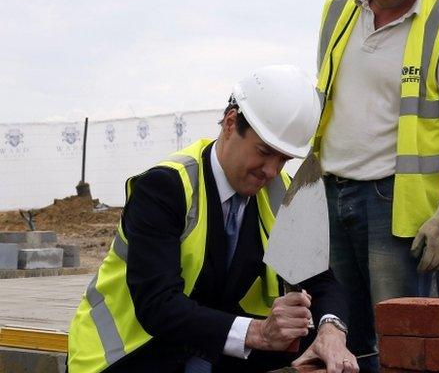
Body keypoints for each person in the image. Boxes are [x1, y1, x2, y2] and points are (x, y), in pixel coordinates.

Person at [68, 65, 358, 373]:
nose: (271, 171)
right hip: (127, 355)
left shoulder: (281, 193)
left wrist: (331, 331)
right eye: (264, 152)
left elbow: (322, 281)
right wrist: (260, 332)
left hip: (207, 348)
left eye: (284, 159)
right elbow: (158, 305)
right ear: (231, 124)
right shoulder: (165, 187)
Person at [314, 0, 439, 370]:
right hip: (331, 193)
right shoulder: (338, 10)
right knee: (338, 332)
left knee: (397, 336)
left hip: (393, 203)